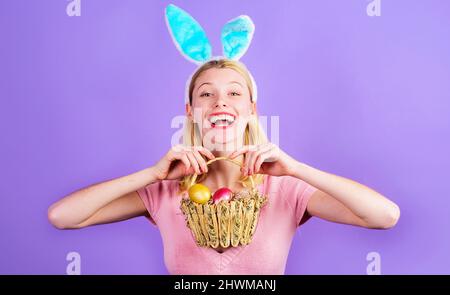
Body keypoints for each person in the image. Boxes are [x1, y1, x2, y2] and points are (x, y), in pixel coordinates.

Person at [47, 5, 400, 275]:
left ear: (251, 109)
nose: (220, 102)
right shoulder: (166, 190)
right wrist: (152, 175)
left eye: (234, 93)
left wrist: (297, 168)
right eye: (206, 94)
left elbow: (384, 216)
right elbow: (63, 217)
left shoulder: (285, 189)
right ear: (189, 110)